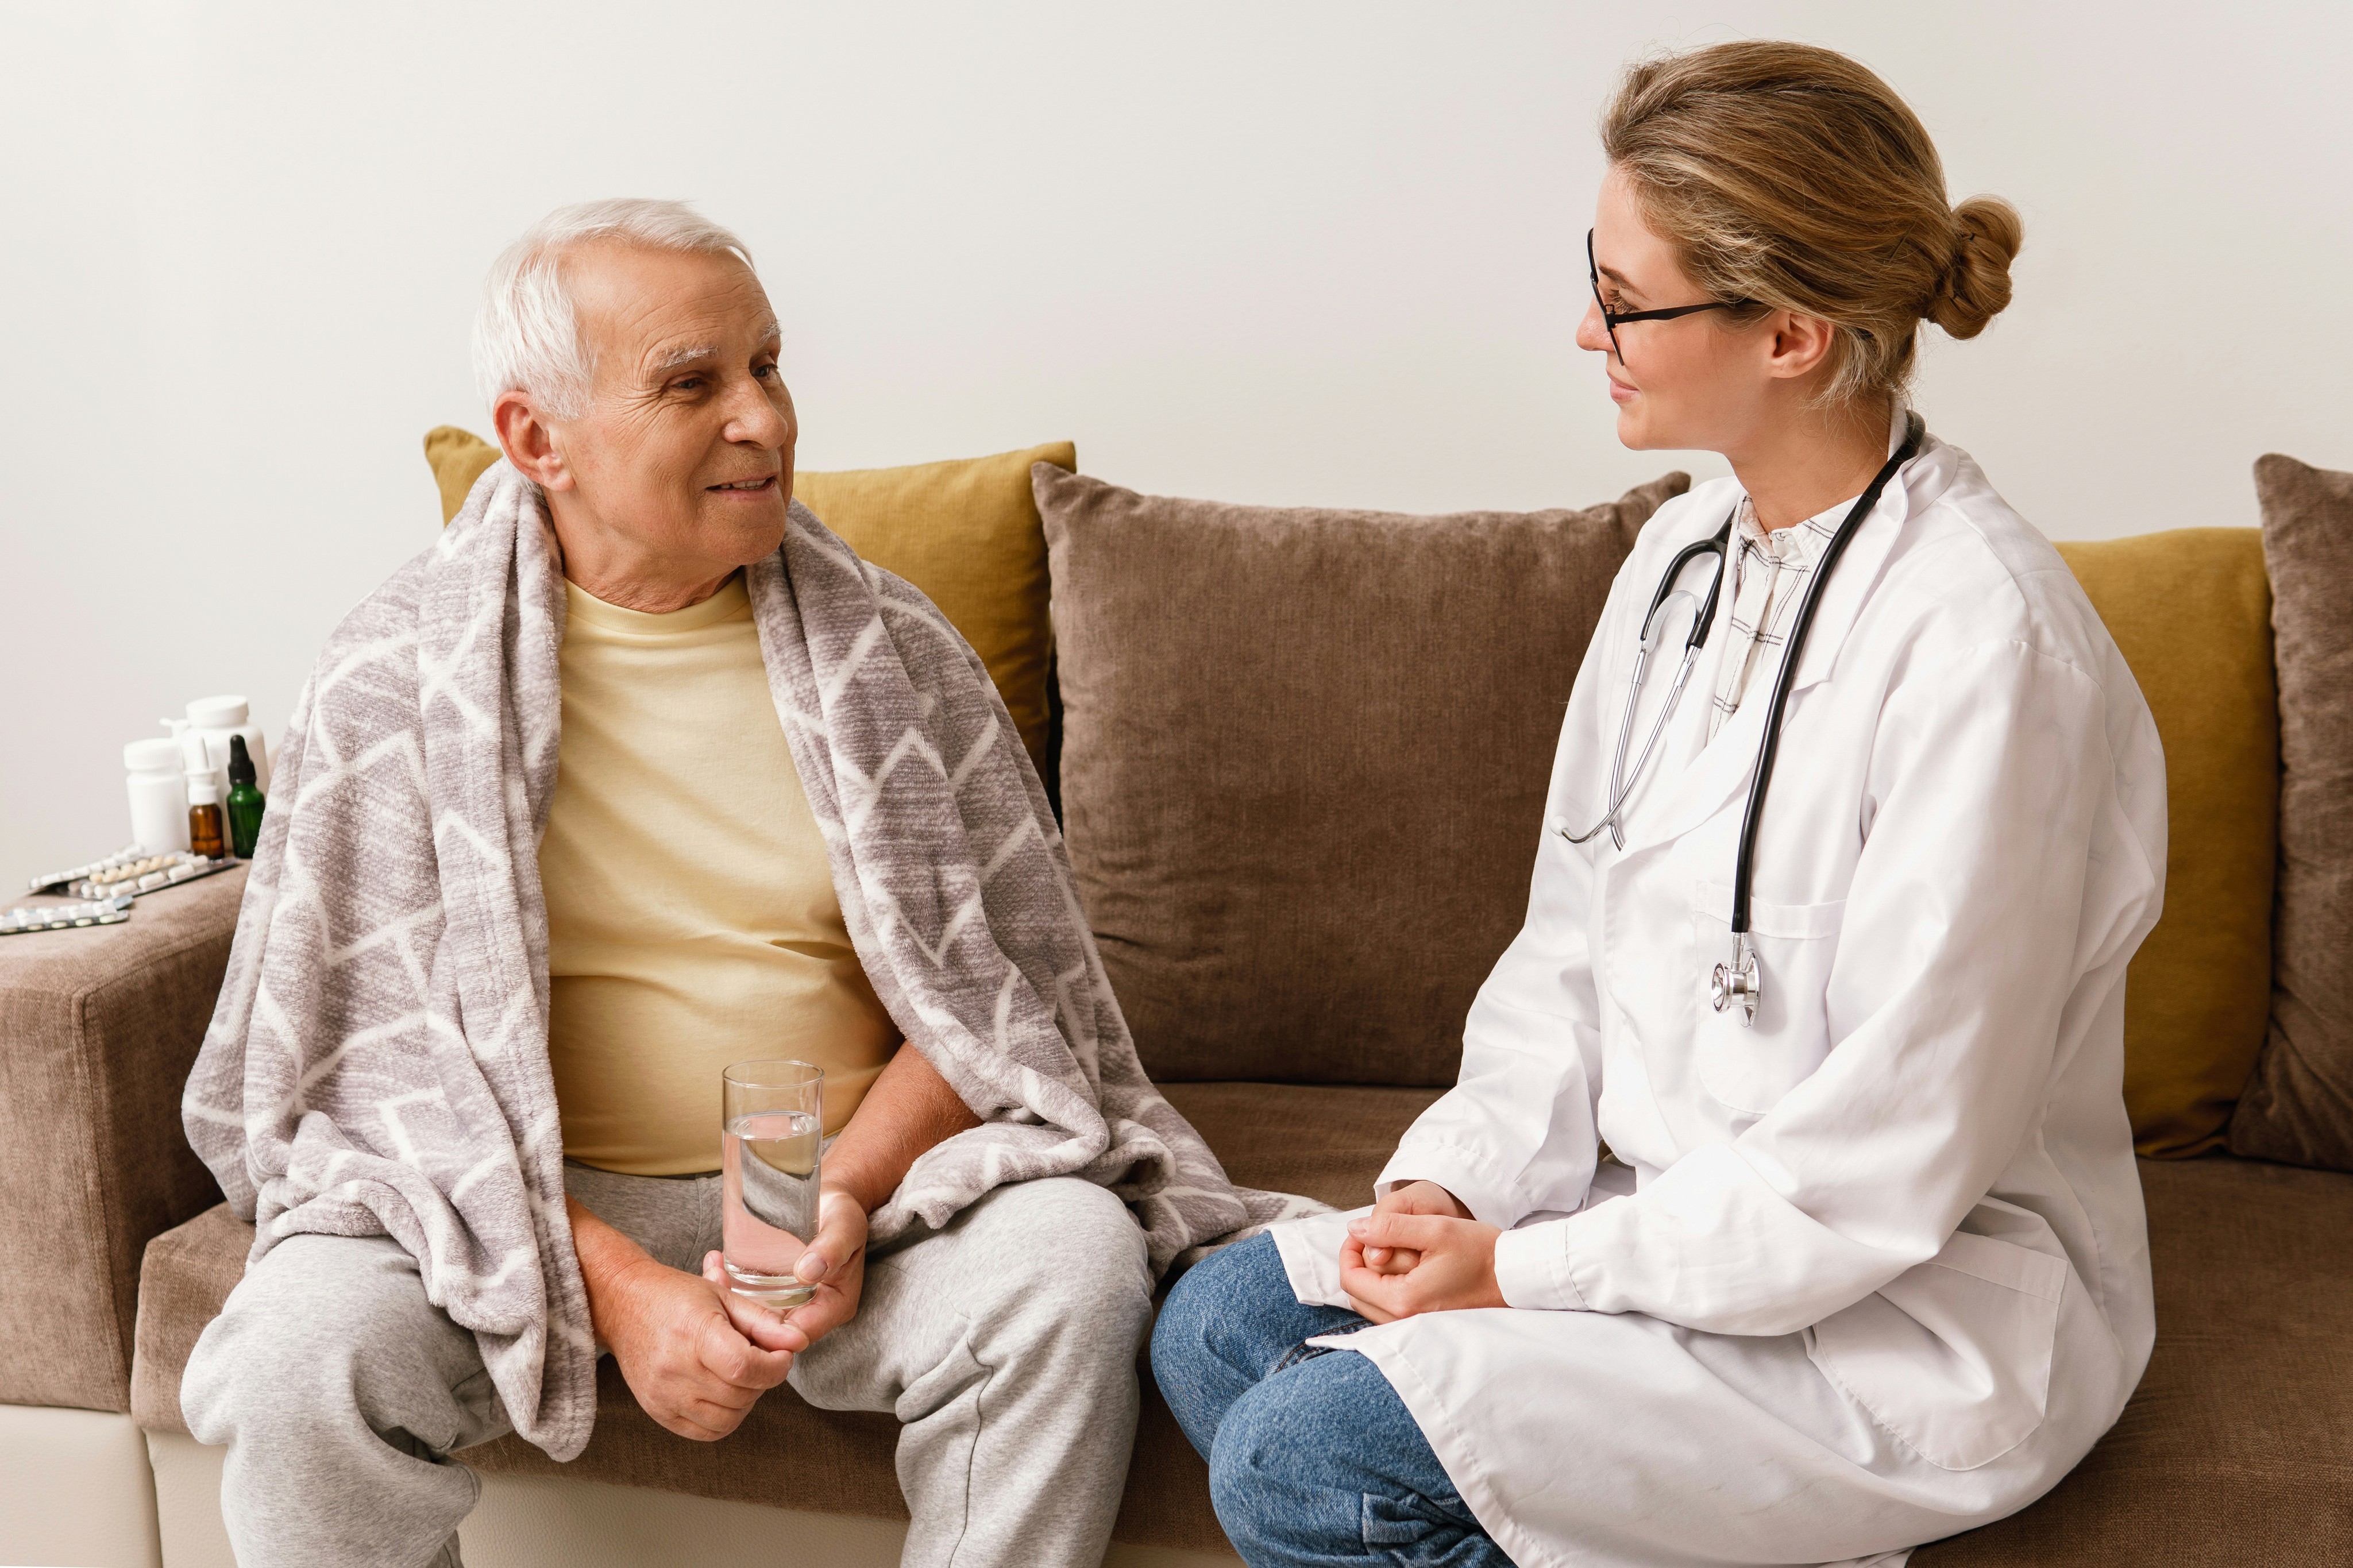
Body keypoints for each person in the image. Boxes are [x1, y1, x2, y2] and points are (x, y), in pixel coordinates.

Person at [1153, 41, 2164, 1568]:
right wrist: (1450, 1186)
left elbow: (1884, 1168)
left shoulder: (1985, 647)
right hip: (1648, 1219)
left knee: (1305, 1454)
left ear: (1795, 336)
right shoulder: (1677, 563)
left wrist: (1521, 1275)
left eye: (1628, 302)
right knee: (1214, 1322)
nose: (1586, 329)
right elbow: (1569, 952)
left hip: (1893, 1303)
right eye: (1595, 278)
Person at [179, 199, 1289, 1568]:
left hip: (841, 1189)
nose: (763, 418)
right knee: (302, 1353)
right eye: (692, 383)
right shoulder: (392, 680)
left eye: (767, 366)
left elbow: (996, 1012)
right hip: (500, 1200)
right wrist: (627, 1290)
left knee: (1065, 1261)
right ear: (539, 441)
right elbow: (364, 1085)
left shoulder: (896, 654)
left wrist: (834, 1198)